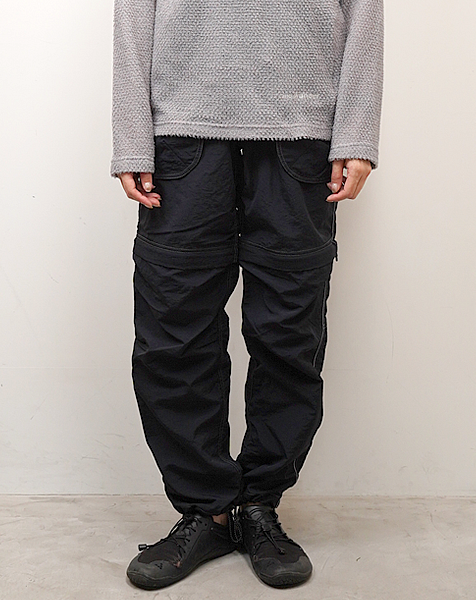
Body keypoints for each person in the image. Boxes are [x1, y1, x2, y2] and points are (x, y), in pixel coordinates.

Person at [110, 0, 383, 590]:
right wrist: (131, 137)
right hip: (182, 131)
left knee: (289, 332)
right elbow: (133, 10)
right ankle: (205, 511)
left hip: (301, 133)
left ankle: (259, 505)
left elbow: (365, 9)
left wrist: (358, 132)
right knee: (173, 332)